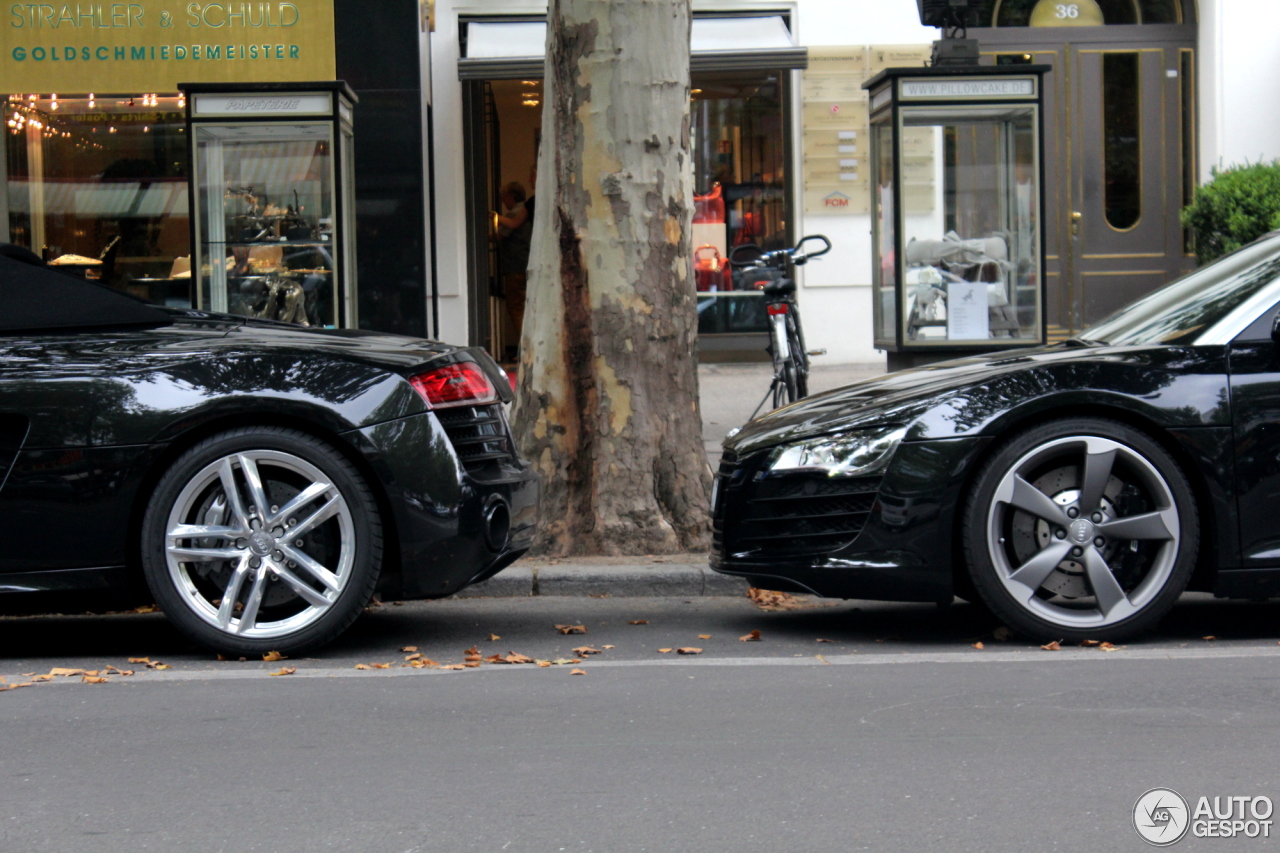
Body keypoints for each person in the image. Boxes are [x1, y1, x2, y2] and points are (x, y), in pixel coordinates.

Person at [494, 173, 535, 354]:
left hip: (515, 267)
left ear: (511, 197)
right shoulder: (528, 210)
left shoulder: (515, 213)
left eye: (504, 197)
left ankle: (525, 349)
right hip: (528, 266)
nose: (503, 201)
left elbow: (500, 235)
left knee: (516, 308)